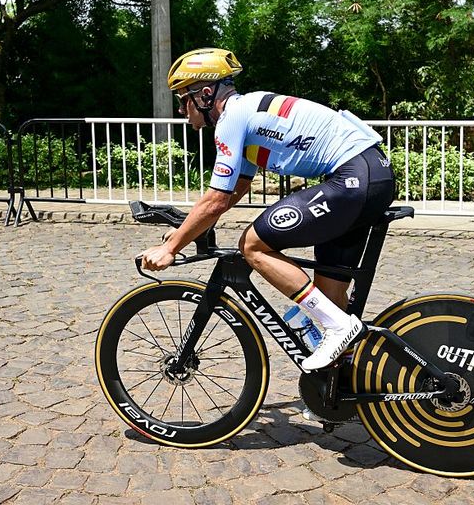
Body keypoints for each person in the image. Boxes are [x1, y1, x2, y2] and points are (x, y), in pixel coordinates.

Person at [139, 48, 395, 371]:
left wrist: (171, 248)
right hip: (371, 174)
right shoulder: (246, 113)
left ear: (205, 95)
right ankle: (339, 385)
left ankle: (339, 328)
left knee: (252, 244)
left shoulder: (231, 119)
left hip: (353, 178)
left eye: (182, 99)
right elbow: (237, 188)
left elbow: (216, 199)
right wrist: (188, 231)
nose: (180, 109)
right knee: (329, 295)